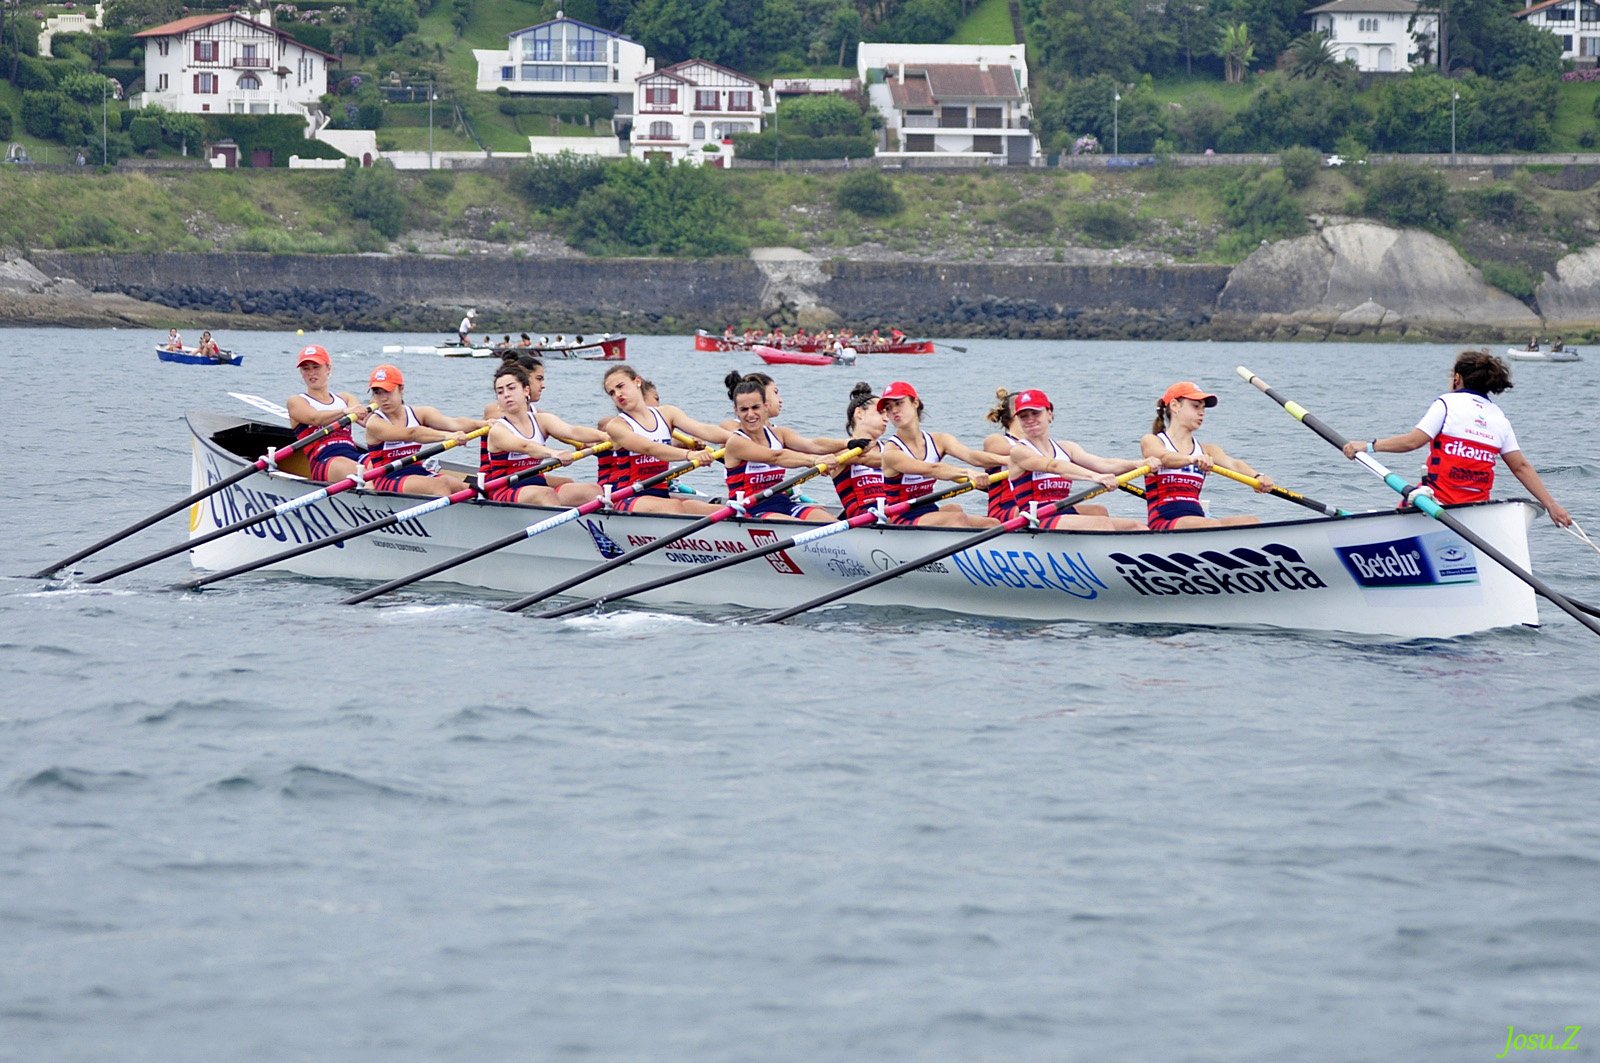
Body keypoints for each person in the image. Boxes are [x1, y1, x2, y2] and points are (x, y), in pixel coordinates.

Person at [1339, 350, 1571, 526]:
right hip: (1475, 511)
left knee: (1410, 500)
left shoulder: (1446, 404)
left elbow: (1413, 442)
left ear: (1457, 379)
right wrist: (1551, 505)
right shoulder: (1499, 418)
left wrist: (1367, 446)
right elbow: (1520, 466)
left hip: (1435, 505)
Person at [1004, 388, 1146, 530]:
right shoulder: (1019, 451)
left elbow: (1103, 464)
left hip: (1062, 511)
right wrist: (1095, 477)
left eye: (1035, 413)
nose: (1030, 419)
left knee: (1135, 525)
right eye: (1024, 416)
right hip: (1036, 518)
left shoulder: (1067, 448)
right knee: (1101, 524)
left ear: (1049, 414)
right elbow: (1054, 466)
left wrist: (1138, 464)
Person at [1142, 381, 1275, 530]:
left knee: (1251, 521)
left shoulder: (1207, 450)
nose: (1202, 412)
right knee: (1210, 525)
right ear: (1175, 406)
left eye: (1203, 408)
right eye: (1196, 406)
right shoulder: (1153, 440)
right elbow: (1164, 458)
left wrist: (1257, 476)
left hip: (1197, 520)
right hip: (1163, 521)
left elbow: (1234, 464)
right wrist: (1192, 459)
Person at [598, 365, 726, 514]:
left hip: (661, 495)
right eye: (612, 393)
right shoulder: (617, 425)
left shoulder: (668, 413)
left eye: (621, 386)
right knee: (676, 507)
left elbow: (704, 430)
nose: (618, 394)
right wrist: (690, 455)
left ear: (637, 382)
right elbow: (649, 448)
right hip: (627, 498)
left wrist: (739, 438)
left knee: (720, 510)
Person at [877, 381, 1002, 528]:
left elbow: (973, 457)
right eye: (889, 408)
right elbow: (933, 469)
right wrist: (968, 473)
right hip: (901, 516)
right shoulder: (891, 452)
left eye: (899, 403)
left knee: (992, 523)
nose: (894, 411)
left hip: (929, 510)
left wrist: (1009, 460)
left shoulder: (939, 440)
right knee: (957, 518)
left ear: (915, 403)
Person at [482, 362, 606, 506]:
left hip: (537, 483)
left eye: (511, 388)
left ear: (526, 391)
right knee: (546, 494)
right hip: (504, 489)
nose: (506, 395)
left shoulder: (542, 420)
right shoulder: (498, 430)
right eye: (500, 392)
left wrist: (605, 436)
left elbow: (573, 431)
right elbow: (526, 446)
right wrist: (554, 453)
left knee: (592, 490)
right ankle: (560, 527)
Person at [722, 377, 844, 521]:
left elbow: (814, 445)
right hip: (750, 510)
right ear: (736, 411)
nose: (750, 414)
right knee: (800, 527)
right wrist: (815, 461)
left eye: (755, 407)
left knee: (831, 522)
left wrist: (848, 443)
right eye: (744, 409)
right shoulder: (736, 442)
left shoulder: (779, 434)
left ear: (765, 406)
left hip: (783, 503)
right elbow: (777, 457)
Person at [360, 364, 483, 497]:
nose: (383, 398)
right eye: (377, 393)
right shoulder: (375, 423)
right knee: (440, 484)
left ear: (401, 389)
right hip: (386, 478)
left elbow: (454, 423)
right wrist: (449, 436)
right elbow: (412, 434)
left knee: (465, 487)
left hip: (417, 470)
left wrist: (483, 423)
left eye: (388, 391)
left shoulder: (420, 413)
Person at [285, 344, 367, 482]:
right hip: (324, 461)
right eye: (306, 369)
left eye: (316, 367)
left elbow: (366, 421)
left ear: (328, 368)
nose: (311, 373)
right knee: (367, 473)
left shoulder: (345, 398)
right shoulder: (296, 401)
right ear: (301, 373)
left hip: (353, 455)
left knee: (383, 467)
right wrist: (345, 411)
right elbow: (316, 418)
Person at [828, 382, 888, 519]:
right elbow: (866, 459)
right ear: (859, 413)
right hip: (863, 515)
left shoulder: (890, 448)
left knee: (948, 509)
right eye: (880, 412)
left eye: (887, 413)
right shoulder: (840, 451)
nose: (886, 418)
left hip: (892, 509)